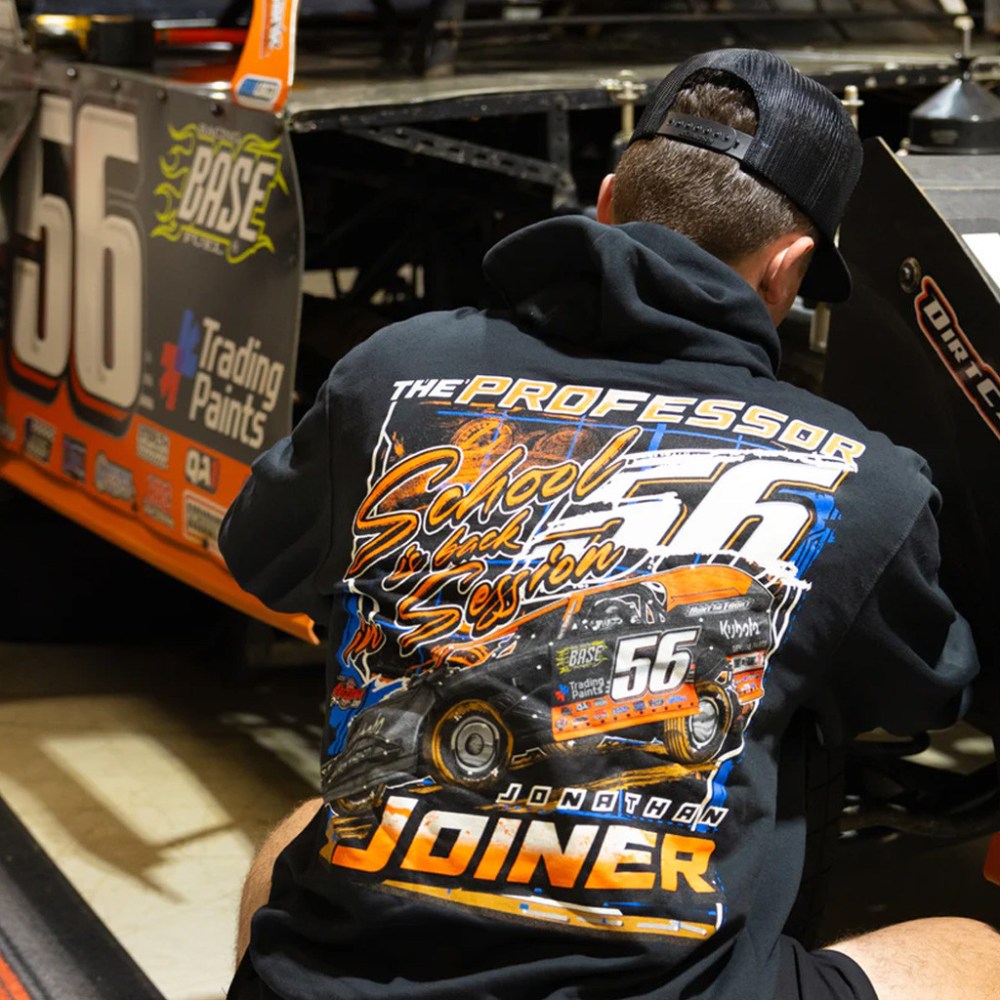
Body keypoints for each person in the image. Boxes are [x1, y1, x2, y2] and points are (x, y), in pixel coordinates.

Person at [219, 47, 997, 1000]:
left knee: (302, 837)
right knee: (976, 950)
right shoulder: (864, 479)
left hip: (333, 982)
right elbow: (926, 695)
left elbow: (259, 556)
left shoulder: (391, 370)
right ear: (788, 269)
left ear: (605, 202)